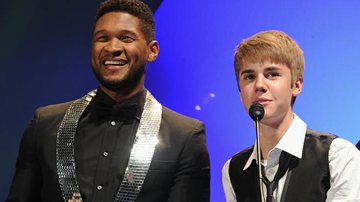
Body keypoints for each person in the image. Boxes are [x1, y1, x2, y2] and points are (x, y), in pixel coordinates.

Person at [6, 0, 210, 201]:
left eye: (126, 38)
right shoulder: (45, 124)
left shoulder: (185, 137)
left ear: (152, 50)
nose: (112, 47)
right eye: (102, 38)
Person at [222, 30, 360, 202]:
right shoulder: (233, 170)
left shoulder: (337, 156)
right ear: (240, 90)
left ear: (296, 85)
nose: (259, 85)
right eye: (249, 76)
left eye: (272, 74)